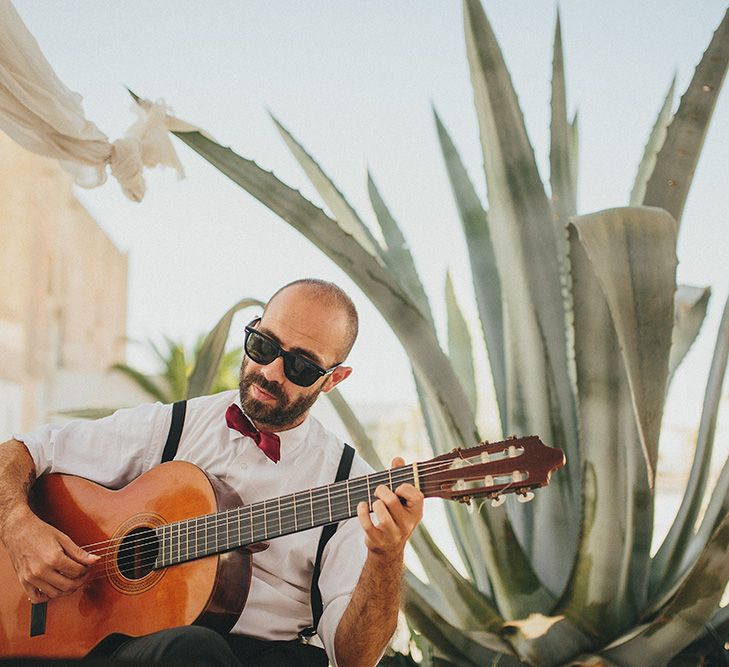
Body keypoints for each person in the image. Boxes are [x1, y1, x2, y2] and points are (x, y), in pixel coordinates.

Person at [0, 278, 424, 667]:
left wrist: (387, 558)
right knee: (191, 649)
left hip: (269, 653)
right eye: (263, 346)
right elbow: (18, 452)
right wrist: (19, 526)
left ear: (333, 380)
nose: (271, 371)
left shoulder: (352, 484)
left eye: (300, 367)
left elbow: (354, 658)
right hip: (127, 641)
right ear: (253, 329)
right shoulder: (176, 424)